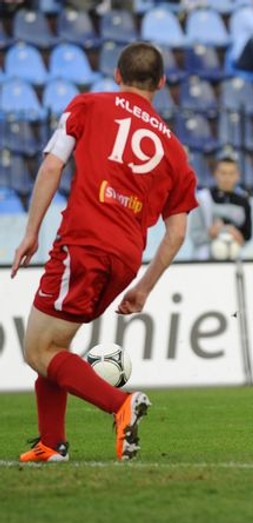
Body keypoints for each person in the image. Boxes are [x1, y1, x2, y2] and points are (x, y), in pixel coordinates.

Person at [11, 42, 199, 462]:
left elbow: (52, 166)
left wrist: (31, 232)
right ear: (162, 84)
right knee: (56, 345)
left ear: (117, 76)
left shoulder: (89, 105)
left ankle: (120, 405)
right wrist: (144, 288)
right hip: (126, 258)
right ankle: (51, 443)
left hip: (84, 241)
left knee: (38, 350)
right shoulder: (175, 151)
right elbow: (177, 232)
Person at [189, 156, 253, 261]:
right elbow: (195, 236)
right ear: (215, 174)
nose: (227, 178)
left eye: (231, 173)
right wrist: (211, 234)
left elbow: (247, 236)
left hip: (235, 260)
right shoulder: (203, 199)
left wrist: (238, 237)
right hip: (204, 262)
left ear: (238, 176)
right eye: (223, 173)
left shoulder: (244, 201)